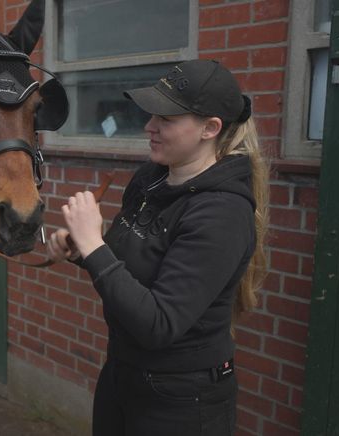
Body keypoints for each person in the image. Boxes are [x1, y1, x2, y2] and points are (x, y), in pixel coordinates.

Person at [47, 59, 269, 435]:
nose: (149, 127)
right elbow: (133, 263)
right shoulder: (151, 179)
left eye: (166, 119)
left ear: (210, 128)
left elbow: (159, 323)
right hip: (122, 373)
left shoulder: (223, 213)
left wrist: (94, 245)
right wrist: (82, 249)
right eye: (152, 115)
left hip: (181, 399)